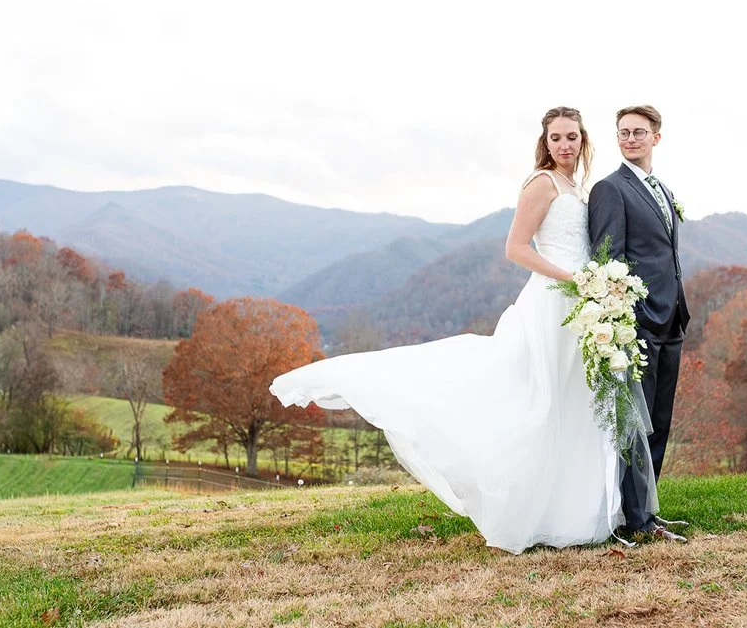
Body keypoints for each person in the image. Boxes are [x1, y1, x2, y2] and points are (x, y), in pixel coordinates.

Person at [270, 106, 645, 554]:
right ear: (544, 143)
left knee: (572, 404)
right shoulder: (540, 185)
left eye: (571, 137)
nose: (564, 145)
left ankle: (576, 512)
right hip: (550, 304)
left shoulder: (577, 187)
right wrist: (571, 279)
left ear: (583, 140)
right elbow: (516, 249)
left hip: (581, 308)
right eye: (556, 138)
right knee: (539, 403)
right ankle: (524, 507)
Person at [588, 104, 692, 544]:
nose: (630, 139)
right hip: (638, 322)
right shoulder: (610, 189)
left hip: (673, 317)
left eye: (638, 132)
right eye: (623, 133)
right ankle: (633, 518)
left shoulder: (661, 188)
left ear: (656, 137)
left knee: (661, 420)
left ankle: (649, 510)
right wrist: (625, 316)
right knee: (635, 421)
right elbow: (606, 257)